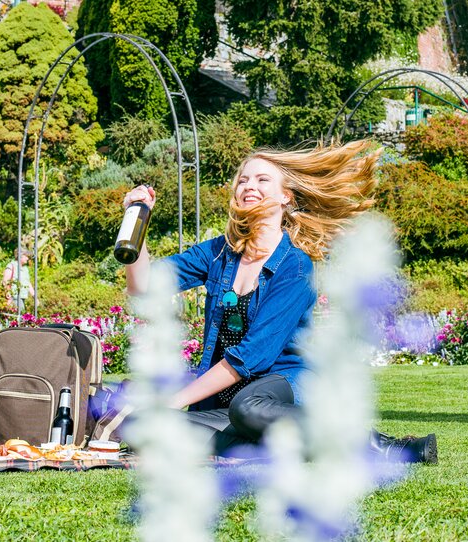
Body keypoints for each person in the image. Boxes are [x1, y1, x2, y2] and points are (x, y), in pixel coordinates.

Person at [122, 139, 437, 463]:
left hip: (279, 391)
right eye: (243, 180)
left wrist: (175, 399)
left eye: (261, 180)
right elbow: (144, 285)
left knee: (248, 407)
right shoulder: (218, 252)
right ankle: (278, 449)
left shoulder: (296, 266)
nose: (248, 186)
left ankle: (369, 444)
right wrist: (136, 222)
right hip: (226, 409)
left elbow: (251, 358)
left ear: (285, 195)